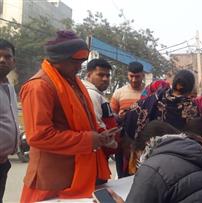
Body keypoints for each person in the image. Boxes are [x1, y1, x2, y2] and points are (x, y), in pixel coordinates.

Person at [19, 31, 117, 202]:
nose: (79, 67)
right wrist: (89, 140)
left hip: (77, 175)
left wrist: (101, 135)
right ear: (58, 59)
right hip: (50, 182)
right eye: (75, 62)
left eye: (81, 63)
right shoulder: (39, 87)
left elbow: (84, 121)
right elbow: (39, 136)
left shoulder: (73, 83)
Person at [123, 120, 202, 203]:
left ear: (147, 145)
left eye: (138, 157)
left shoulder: (153, 167)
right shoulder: (201, 152)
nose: (140, 162)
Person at [119, 69, 199, 176]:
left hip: (149, 158)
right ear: (190, 87)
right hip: (177, 161)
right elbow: (195, 137)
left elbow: (130, 116)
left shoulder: (154, 98)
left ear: (174, 83)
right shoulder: (192, 108)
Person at [83, 58, 119, 159]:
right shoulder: (92, 94)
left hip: (100, 151)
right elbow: (97, 125)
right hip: (97, 152)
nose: (105, 79)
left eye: (107, 75)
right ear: (89, 75)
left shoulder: (97, 94)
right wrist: (114, 144)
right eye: (100, 75)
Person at [0, 39, 20, 203]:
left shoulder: (9, 87)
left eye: (7, 57)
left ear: (13, 62)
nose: (3, 60)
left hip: (3, 163)